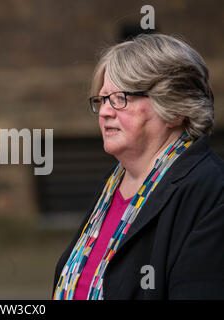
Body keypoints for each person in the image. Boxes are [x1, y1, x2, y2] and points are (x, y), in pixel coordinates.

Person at [53, 33, 224, 300]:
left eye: (120, 98)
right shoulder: (114, 184)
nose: (106, 112)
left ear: (175, 106)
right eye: (102, 100)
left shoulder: (211, 191)